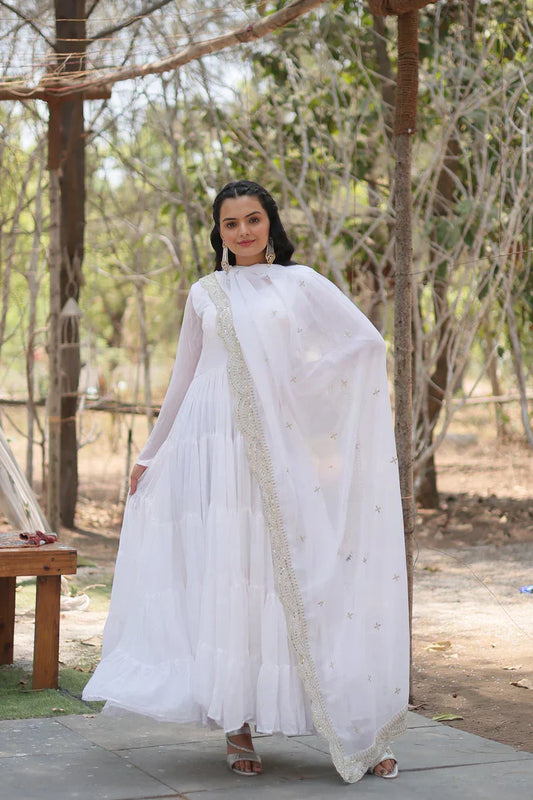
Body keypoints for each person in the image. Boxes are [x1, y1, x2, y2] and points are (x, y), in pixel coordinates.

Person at [83, 180, 409, 783]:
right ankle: (236, 725)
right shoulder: (205, 292)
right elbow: (184, 378)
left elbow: (364, 342)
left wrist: (297, 393)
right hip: (211, 450)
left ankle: (351, 729)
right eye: (230, 223)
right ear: (218, 231)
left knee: (294, 578)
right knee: (227, 579)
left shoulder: (299, 283)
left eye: (253, 219)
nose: (243, 232)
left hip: (276, 449)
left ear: (270, 222)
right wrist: (151, 454)